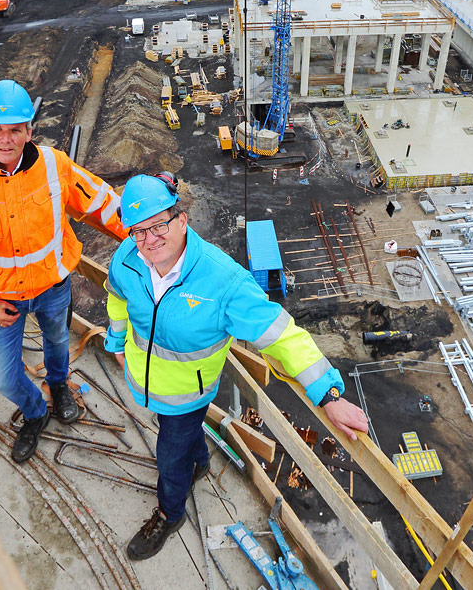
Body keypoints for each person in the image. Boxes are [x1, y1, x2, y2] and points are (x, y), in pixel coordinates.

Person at [104, 173, 369, 561]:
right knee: (179, 434)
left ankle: (169, 512)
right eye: (138, 231)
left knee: (169, 455)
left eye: (158, 225)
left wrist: (327, 393)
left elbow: (281, 335)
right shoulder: (127, 259)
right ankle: (200, 462)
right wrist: (115, 339)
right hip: (145, 384)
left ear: (181, 221)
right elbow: (116, 298)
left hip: (188, 392)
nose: (149, 240)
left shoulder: (224, 281)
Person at [0, 80, 125, 463]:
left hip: (52, 287)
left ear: (29, 131)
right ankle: (36, 412)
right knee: (4, 377)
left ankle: (59, 387)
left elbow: (103, 201)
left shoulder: (55, 165)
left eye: (15, 129)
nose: (6, 139)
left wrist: (149, 231)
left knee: (57, 346)